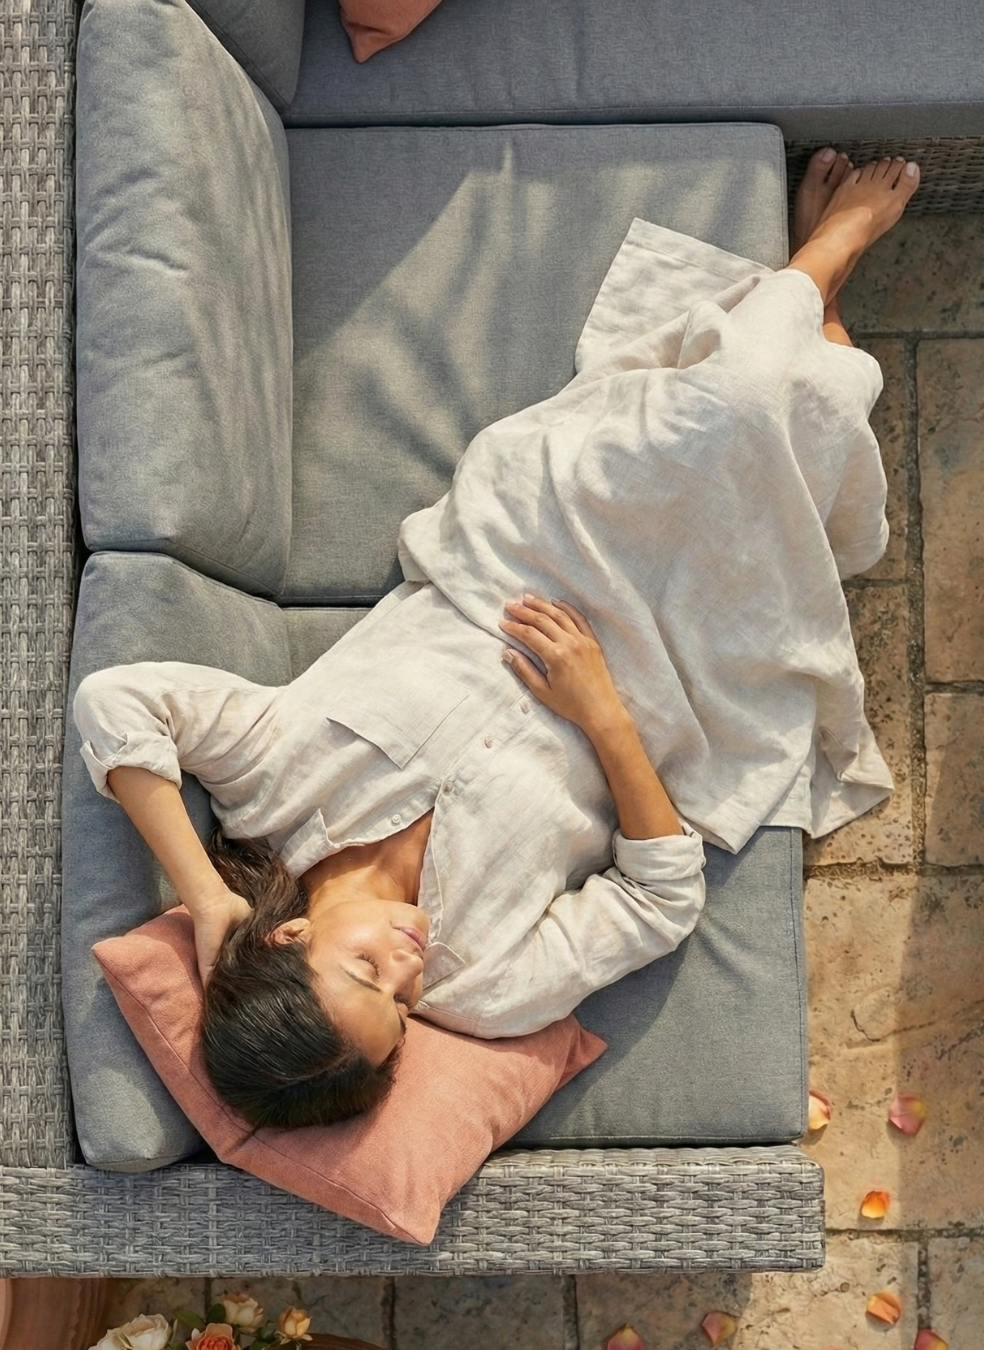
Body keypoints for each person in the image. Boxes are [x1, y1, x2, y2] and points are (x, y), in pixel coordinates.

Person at [74, 151, 920, 1129]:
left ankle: (828, 254)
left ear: (282, 938)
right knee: (778, 460)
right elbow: (659, 902)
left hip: (535, 536)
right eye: (399, 1007)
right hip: (663, 678)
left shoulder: (268, 784)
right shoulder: (484, 986)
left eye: (366, 972)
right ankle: (809, 314)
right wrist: (603, 714)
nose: (408, 966)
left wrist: (201, 895)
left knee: (729, 412)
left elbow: (117, 705)